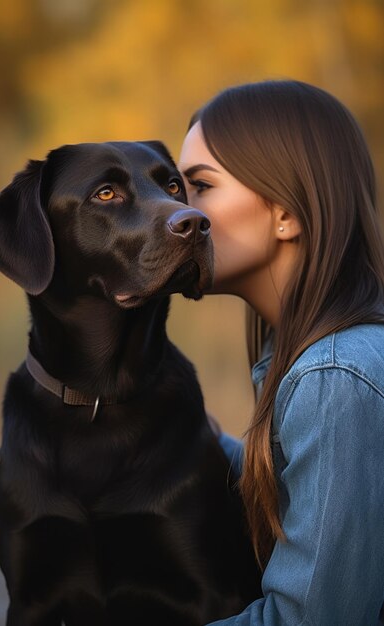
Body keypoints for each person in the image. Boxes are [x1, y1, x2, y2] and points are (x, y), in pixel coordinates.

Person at [177, 80, 384, 625]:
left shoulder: (335, 375)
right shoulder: (315, 357)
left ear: (286, 212)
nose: (175, 215)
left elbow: (312, 619)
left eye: (201, 187)